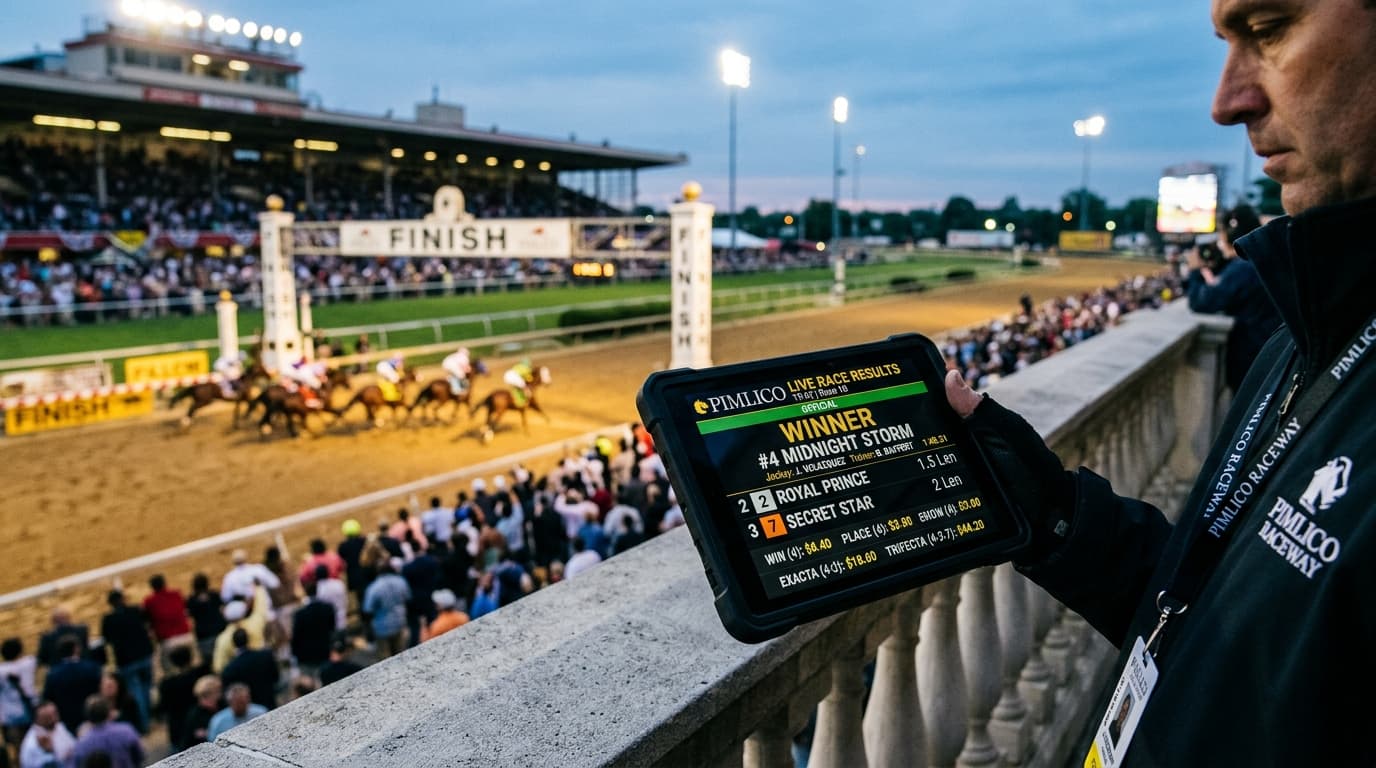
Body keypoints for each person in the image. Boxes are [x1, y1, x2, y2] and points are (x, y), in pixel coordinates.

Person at [938, 2, 1376, 762]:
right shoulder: (1305, 330)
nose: (1226, 100)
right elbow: (1224, 637)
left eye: (1268, 30)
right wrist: (1051, 513)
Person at [1185, 204, 1284, 392]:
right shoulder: (1259, 261)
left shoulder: (1244, 267)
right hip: (1264, 355)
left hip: (1251, 360)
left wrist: (1195, 270)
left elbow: (1202, 302)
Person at [97, 590, 153, 735]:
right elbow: (147, 624)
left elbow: (107, 640)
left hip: (127, 661)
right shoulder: (135, 610)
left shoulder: (108, 619)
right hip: (144, 655)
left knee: (137, 693)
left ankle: (144, 723)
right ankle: (147, 718)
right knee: (146, 689)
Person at [39, 639, 100, 736]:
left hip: (68, 721)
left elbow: (48, 698)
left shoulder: (53, 675)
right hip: (94, 716)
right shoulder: (91, 667)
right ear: (76, 649)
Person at [70, 696, 142, 768]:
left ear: (88, 716)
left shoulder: (81, 745)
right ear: (109, 712)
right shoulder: (126, 731)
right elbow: (140, 756)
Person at [362, 558, 411, 659]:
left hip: (382, 626)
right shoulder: (400, 581)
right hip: (399, 620)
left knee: (384, 658)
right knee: (400, 655)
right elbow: (408, 598)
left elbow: (368, 609)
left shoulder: (374, 588)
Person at [142, 574, 193, 672]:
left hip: (168, 642)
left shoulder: (149, 601)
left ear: (152, 587)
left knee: (171, 672)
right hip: (186, 636)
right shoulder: (176, 594)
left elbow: (147, 621)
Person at [219, 629, 278, 711]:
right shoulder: (265, 656)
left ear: (233, 643)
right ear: (248, 639)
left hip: (250, 711)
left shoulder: (230, 669)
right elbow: (276, 678)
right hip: (269, 704)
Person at [17, 701, 75, 768]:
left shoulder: (58, 726)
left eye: (55, 713)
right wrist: (49, 752)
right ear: (38, 719)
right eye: (49, 717)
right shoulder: (33, 743)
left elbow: (73, 746)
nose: (55, 719)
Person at [179, 676, 221, 752]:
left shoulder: (223, 706)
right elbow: (186, 742)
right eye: (217, 691)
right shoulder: (194, 715)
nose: (219, 694)